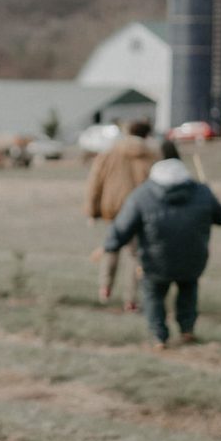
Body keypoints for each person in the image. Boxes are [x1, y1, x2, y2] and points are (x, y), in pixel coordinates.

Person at [103, 155, 221, 349]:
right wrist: (212, 197)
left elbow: (121, 230)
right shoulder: (202, 192)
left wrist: (111, 245)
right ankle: (187, 329)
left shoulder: (142, 195)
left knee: (153, 296)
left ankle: (159, 336)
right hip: (193, 259)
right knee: (188, 291)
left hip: (155, 262)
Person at [84, 119, 159, 310]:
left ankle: (105, 289)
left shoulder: (109, 153)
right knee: (135, 255)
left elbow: (95, 183)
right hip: (142, 210)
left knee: (111, 248)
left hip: (115, 209)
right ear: (146, 134)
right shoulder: (153, 155)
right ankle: (131, 299)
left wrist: (92, 211)